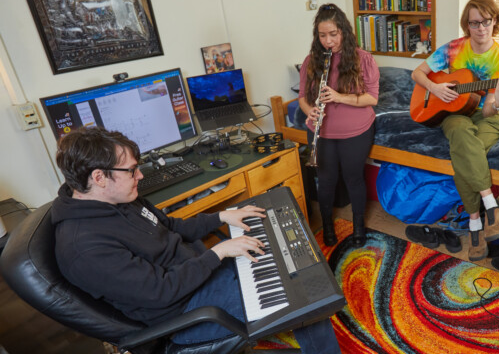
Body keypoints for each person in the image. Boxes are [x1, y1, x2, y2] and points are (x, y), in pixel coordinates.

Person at [52, 127, 341, 352]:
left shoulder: (121, 198)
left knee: (282, 259)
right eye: (131, 170)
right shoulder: (83, 247)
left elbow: (170, 225)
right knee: (306, 300)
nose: (139, 175)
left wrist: (221, 218)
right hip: (188, 313)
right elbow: (160, 292)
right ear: (99, 177)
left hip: (199, 275)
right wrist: (217, 253)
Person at [411, 0, 499, 261]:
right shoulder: (454, 48)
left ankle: (475, 222)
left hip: (487, 116)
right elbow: (417, 74)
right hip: (455, 113)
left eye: (486, 22)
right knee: (458, 132)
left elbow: (489, 108)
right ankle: (489, 204)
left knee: (466, 149)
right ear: (466, 25)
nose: (480, 28)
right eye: (474, 23)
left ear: (495, 21)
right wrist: (434, 87)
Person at [298, 3, 379, 248]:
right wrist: (309, 110)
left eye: (333, 34)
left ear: (343, 31)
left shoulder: (362, 59)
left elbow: (372, 98)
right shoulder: (312, 61)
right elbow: (302, 97)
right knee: (326, 178)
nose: (328, 41)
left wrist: (339, 97)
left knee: (353, 178)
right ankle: (328, 226)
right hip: (321, 131)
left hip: (356, 130)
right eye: (322, 35)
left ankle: (358, 227)